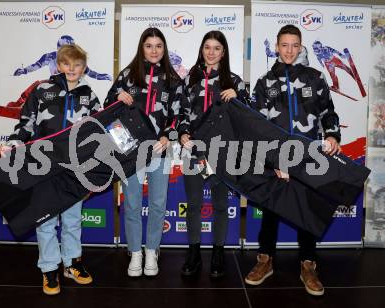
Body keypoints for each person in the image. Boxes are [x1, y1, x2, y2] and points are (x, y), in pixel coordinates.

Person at [0, 44, 100, 295]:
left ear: (83, 68)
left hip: (75, 167)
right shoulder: (42, 90)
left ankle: (72, 263)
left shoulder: (89, 94)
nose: (71, 69)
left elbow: (97, 130)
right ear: (58, 65)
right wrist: (10, 145)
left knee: (72, 220)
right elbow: (25, 124)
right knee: (46, 220)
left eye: (77, 65)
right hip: (43, 166)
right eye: (66, 64)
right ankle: (50, 268)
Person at [245, 24, 341, 296]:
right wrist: (274, 161)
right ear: (276, 46)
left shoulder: (315, 78)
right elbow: (257, 126)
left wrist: (333, 135)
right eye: (284, 45)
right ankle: (265, 259)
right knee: (271, 213)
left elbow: (328, 113)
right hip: (275, 161)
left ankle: (308, 265)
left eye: (294, 45)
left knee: (307, 212)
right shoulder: (264, 82)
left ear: (300, 47)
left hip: (309, 158)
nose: (289, 50)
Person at [104, 27, 183, 277]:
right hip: (131, 153)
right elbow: (108, 106)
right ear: (142, 48)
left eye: (158, 46)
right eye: (149, 45)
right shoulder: (128, 74)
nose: (154, 50)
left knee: (158, 204)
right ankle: (135, 252)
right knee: (133, 204)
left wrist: (167, 136)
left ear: (164, 49)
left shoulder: (173, 79)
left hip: (160, 149)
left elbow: (179, 114)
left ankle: (152, 251)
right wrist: (118, 95)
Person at [178, 31, 249, 278]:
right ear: (201, 50)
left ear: (224, 52)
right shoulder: (190, 79)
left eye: (216, 48)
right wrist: (182, 133)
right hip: (193, 151)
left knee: (221, 205)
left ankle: (219, 252)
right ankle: (194, 252)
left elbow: (249, 116)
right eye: (207, 47)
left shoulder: (235, 82)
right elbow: (181, 112)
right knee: (194, 205)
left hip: (223, 153)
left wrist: (240, 97)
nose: (211, 52)